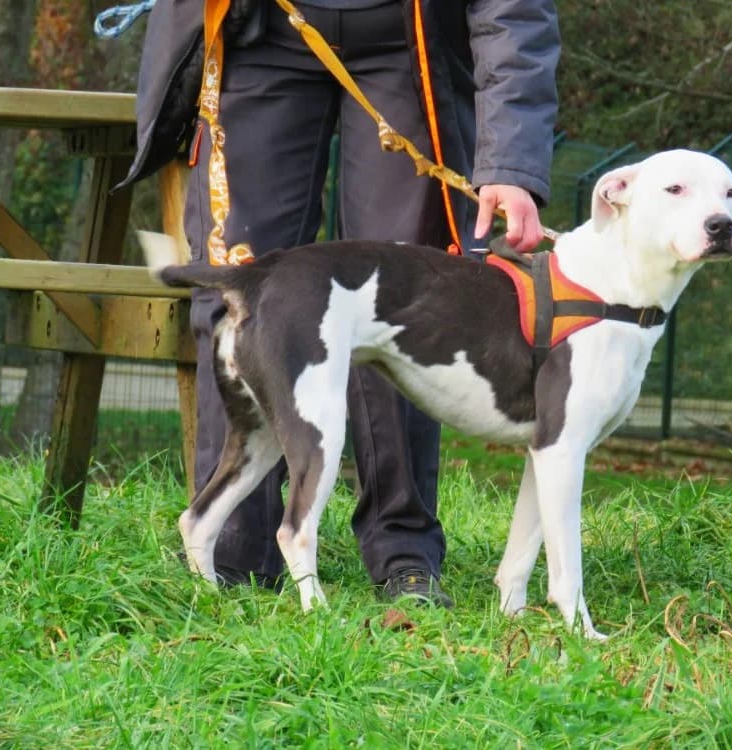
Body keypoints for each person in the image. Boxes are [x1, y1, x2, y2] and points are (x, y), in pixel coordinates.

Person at [122, 0, 560, 605]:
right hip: (259, 27)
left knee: (414, 306)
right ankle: (231, 554)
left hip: (410, 43)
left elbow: (513, 12)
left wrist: (510, 160)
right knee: (240, 296)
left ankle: (403, 553)